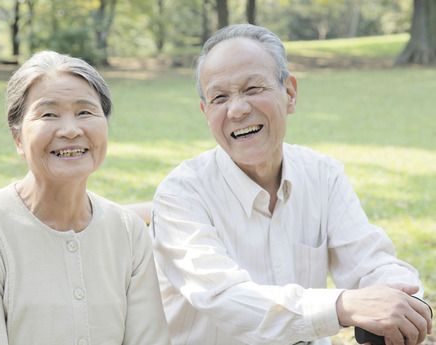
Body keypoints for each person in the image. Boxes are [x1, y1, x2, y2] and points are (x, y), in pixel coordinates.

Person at [150, 24, 433, 345]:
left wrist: (400, 295)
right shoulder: (181, 195)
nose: (238, 109)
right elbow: (223, 296)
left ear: (290, 93)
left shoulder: (323, 175)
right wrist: (341, 306)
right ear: (205, 112)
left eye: (253, 88)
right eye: (219, 97)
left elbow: (368, 260)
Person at [0, 51, 171, 345]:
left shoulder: (129, 232)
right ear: (17, 138)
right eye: (48, 114)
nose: (70, 130)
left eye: (85, 112)